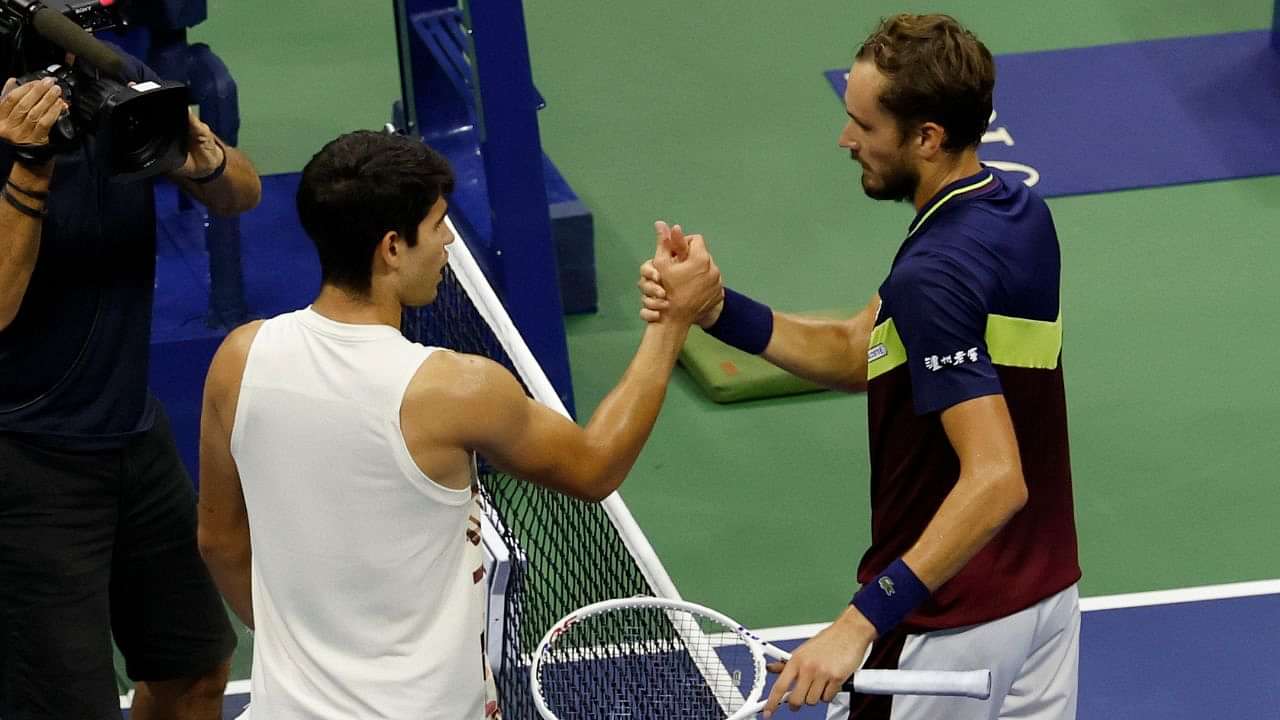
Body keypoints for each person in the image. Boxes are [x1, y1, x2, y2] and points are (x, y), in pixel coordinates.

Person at [639, 13, 1080, 720]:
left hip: (949, 626)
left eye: (864, 126)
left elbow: (997, 480)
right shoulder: (1017, 215)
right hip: (1045, 603)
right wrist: (716, 308)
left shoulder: (932, 274)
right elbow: (856, 352)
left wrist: (858, 624)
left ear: (927, 138)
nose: (846, 140)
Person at [195, 130, 722, 718]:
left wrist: (304, 654)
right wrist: (672, 322)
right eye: (438, 222)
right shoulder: (458, 389)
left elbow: (218, 540)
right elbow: (596, 465)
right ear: (392, 247)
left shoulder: (239, 360)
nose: (448, 240)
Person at [0, 38, 262, 719]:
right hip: (26, 458)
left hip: (131, 434)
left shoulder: (110, 73)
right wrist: (30, 165)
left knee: (197, 671)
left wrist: (198, 158)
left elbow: (242, 192)